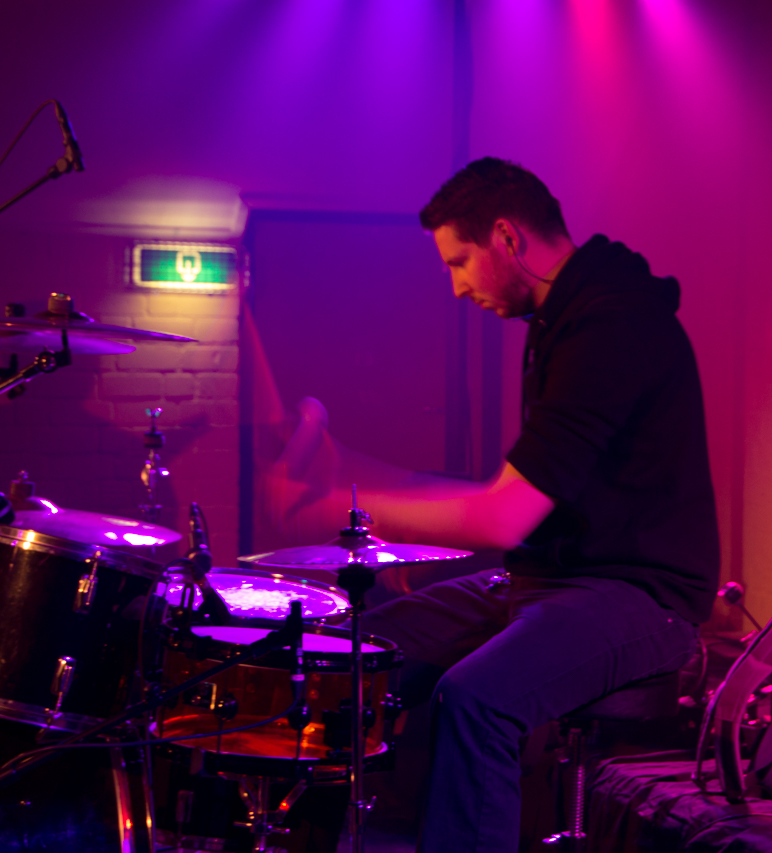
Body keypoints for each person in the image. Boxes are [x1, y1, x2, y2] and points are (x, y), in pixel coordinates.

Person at [276, 157, 719, 852]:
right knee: (352, 659)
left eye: (459, 261)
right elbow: (526, 493)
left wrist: (344, 507)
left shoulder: (611, 327)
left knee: (476, 699)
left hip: (641, 596)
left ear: (507, 237)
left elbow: (504, 516)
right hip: (552, 580)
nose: (456, 286)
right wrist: (368, 491)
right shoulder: (563, 317)